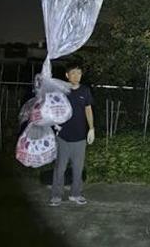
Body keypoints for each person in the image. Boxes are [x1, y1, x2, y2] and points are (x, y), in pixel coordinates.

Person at [50, 62, 95, 206]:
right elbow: (52, 108)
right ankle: (56, 195)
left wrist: (91, 128)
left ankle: (76, 194)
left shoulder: (85, 90)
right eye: (73, 73)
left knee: (78, 167)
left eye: (79, 73)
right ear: (67, 75)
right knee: (60, 168)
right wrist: (54, 123)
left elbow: (88, 109)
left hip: (80, 137)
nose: (76, 76)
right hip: (63, 136)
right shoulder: (61, 90)